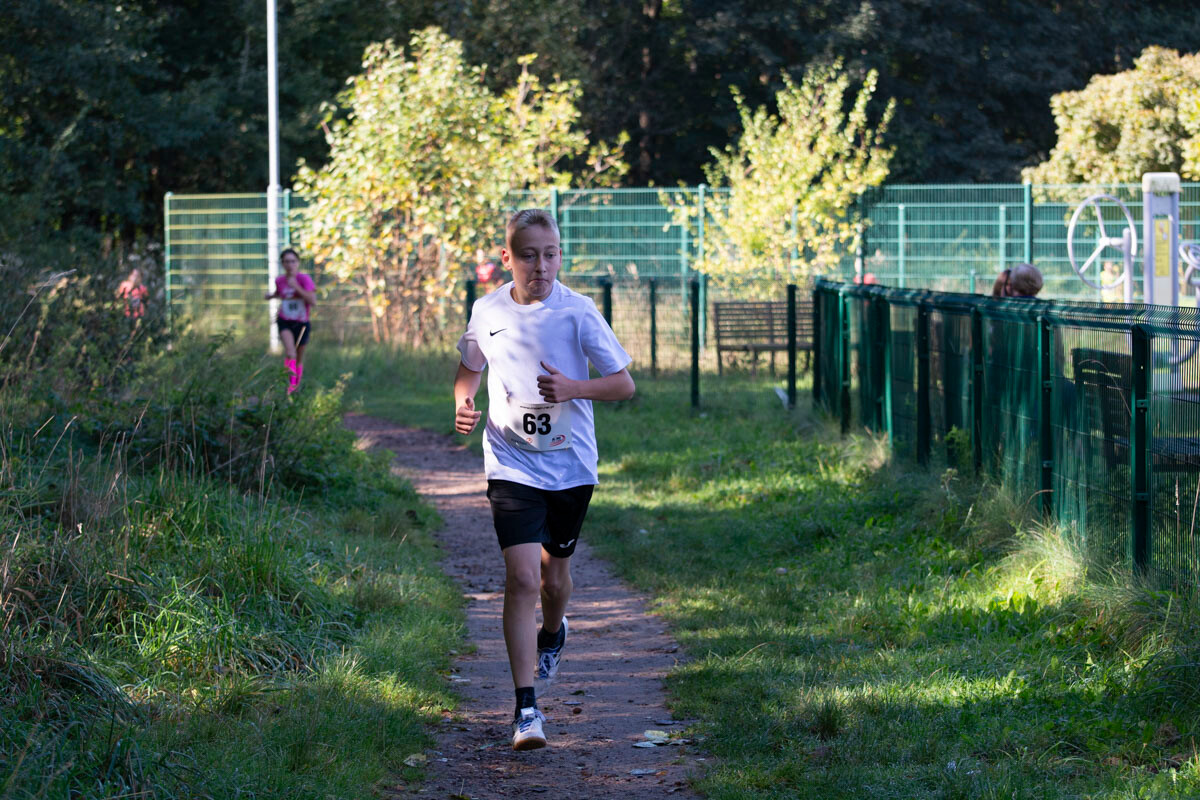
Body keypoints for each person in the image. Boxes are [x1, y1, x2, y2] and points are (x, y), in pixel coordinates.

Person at [453, 209, 635, 752]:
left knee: (556, 581)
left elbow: (622, 385)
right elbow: (469, 369)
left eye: (550, 253)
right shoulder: (486, 311)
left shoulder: (578, 312)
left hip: (571, 466)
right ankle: (526, 710)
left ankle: (554, 633)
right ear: (507, 258)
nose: (542, 265)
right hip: (511, 462)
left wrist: (573, 389)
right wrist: (463, 404)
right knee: (523, 579)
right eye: (529, 254)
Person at [264, 248, 316, 394]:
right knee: (290, 353)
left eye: (293, 261)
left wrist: (296, 287)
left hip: (302, 323)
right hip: (285, 321)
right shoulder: (279, 280)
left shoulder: (304, 280)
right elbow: (279, 293)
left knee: (298, 358)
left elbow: (313, 301)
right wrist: (271, 296)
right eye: (286, 261)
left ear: (298, 263)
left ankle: (295, 387)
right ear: (282, 264)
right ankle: (289, 388)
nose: (290, 265)